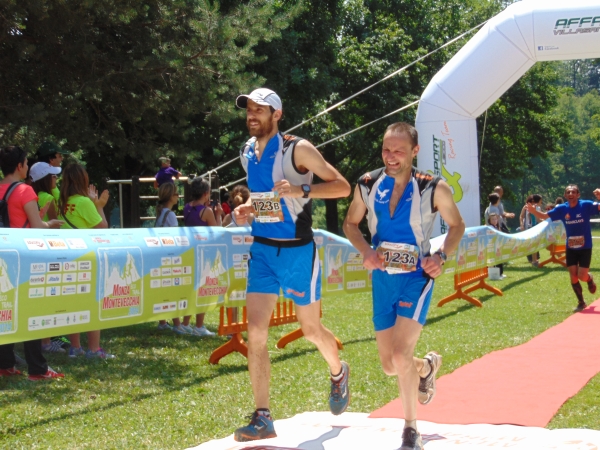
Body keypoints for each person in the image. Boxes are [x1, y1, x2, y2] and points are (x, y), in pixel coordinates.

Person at [232, 88, 351, 442]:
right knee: (255, 332)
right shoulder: (246, 152)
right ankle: (263, 416)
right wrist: (248, 210)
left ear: (277, 115)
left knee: (311, 330)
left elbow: (342, 186)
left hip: (299, 252)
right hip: (264, 252)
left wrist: (302, 192)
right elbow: (266, 199)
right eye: (249, 109)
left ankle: (337, 371)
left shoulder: (297, 149)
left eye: (260, 110)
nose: (252, 115)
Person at [343, 122, 465, 450]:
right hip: (383, 280)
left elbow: (457, 226)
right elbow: (350, 224)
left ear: (415, 151)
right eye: (386, 149)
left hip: (416, 278)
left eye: (398, 150)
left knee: (399, 354)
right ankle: (427, 367)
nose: (391, 156)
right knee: (389, 366)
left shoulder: (432, 187)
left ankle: (411, 431)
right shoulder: (368, 184)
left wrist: (440, 256)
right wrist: (366, 251)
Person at [0, 145, 65, 381]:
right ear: (19, 166)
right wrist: (52, 223)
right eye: (26, 163)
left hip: (3, 258)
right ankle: (37, 369)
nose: (27, 168)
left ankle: (5, 364)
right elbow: (38, 227)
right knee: (33, 313)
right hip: (26, 258)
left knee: (5, 309)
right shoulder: (25, 191)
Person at [59, 164, 115, 358]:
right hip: (86, 259)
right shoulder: (84, 202)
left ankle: (75, 347)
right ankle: (94, 349)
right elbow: (103, 228)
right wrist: (99, 206)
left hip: (67, 259)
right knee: (93, 302)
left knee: (73, 303)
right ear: (82, 180)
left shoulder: (62, 202)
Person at [527, 185, 599, 312]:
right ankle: (581, 302)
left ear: (578, 195)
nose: (571, 193)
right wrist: (533, 212)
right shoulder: (561, 208)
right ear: (565, 195)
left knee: (581, 276)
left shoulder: (585, 205)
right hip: (571, 247)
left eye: (573, 192)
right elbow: (544, 216)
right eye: (568, 192)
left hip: (585, 246)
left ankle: (589, 278)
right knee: (573, 275)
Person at [29, 162, 67, 354]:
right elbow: (56, 225)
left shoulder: (35, 195)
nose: (56, 179)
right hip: (49, 251)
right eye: (53, 176)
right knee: (48, 296)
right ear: (44, 179)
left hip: (36, 251)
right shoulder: (49, 198)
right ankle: (47, 342)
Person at [180, 177, 218, 336]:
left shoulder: (187, 207)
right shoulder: (207, 211)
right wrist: (218, 215)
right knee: (203, 289)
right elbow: (216, 231)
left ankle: (185, 323)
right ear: (206, 193)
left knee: (191, 289)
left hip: (190, 251)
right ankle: (199, 326)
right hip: (204, 253)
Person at [520, 194, 542, 266]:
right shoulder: (535, 208)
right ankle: (534, 261)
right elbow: (537, 219)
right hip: (532, 227)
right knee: (533, 244)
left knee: (533, 244)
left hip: (532, 227)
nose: (541, 203)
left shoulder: (536, 208)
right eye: (540, 201)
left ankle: (534, 260)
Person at [487, 212, 504, 278]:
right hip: (493, 248)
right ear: (490, 221)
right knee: (494, 262)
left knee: (499, 260)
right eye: (493, 219)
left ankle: (500, 273)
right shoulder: (490, 228)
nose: (494, 221)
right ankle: (495, 274)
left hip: (498, 247)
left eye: (495, 219)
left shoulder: (497, 227)